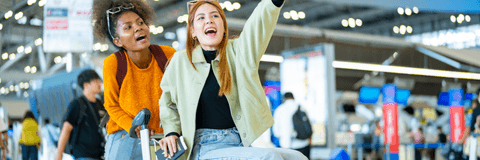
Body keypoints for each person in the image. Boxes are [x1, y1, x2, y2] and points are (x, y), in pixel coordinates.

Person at [158, 0, 307, 159]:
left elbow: (257, 26)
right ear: (193, 31)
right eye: (201, 18)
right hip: (204, 146)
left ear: (223, 27)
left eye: (215, 15)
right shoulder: (181, 61)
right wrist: (171, 132)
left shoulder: (238, 52)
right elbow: (167, 102)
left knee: (298, 157)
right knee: (270, 157)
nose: (209, 20)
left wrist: (272, 2)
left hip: (239, 141)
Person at [91, 0, 176, 159]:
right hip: (125, 134)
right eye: (128, 27)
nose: (138, 27)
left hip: (161, 137)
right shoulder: (113, 64)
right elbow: (111, 105)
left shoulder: (168, 55)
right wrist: (133, 126)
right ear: (118, 41)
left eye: (140, 22)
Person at [55, 69, 105, 160]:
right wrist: (59, 154)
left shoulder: (100, 104)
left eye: (99, 80)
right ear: (86, 85)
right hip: (83, 155)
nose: (99, 83)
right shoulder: (77, 104)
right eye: (96, 81)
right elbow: (66, 128)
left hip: (100, 154)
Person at [272, 92, 311, 158]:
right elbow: (308, 126)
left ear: (284, 99)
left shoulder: (279, 109)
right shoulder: (301, 107)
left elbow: (276, 131)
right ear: (293, 97)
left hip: (286, 146)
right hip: (303, 144)